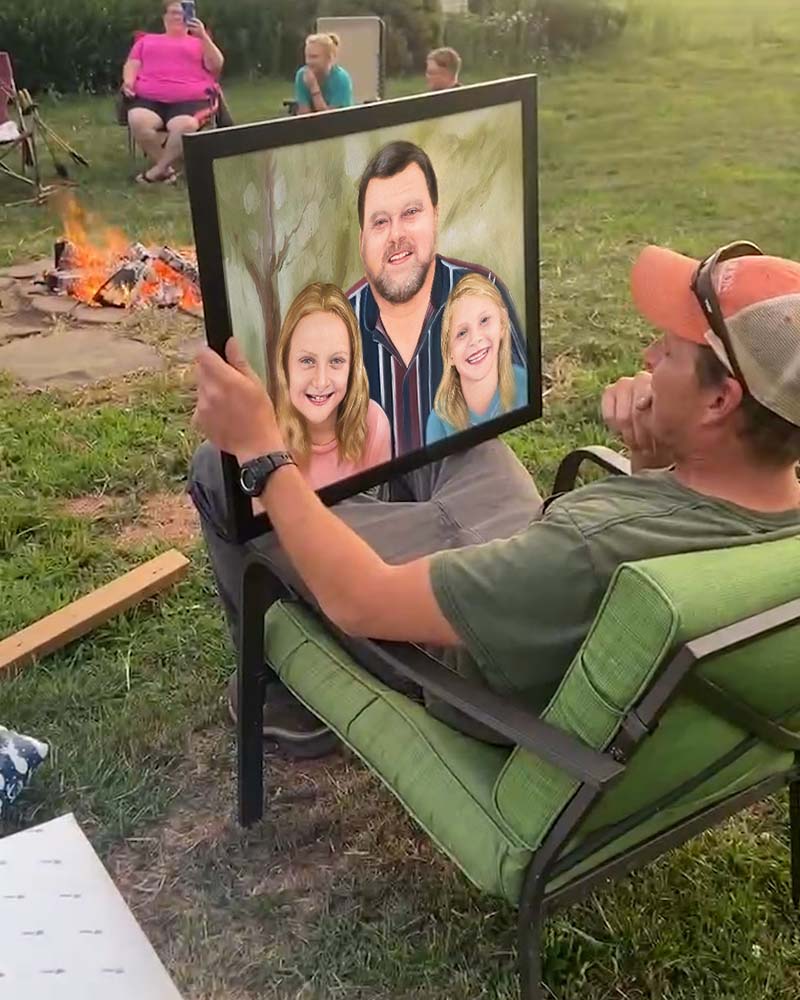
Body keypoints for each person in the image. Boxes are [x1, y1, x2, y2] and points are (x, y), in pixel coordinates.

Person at [190, 240, 800, 755]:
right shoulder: (779, 508)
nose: (648, 354)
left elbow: (358, 599)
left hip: (467, 650)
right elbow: (648, 544)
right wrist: (655, 460)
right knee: (444, 429)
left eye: (669, 347)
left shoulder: (586, 548)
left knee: (220, 471)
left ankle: (280, 696)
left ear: (720, 403)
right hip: (535, 587)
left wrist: (264, 453)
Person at [347, 140, 527, 456]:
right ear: (362, 240)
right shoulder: (340, 325)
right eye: (380, 222)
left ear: (435, 216)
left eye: (411, 212)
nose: (396, 235)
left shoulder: (484, 292)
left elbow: (519, 408)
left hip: (471, 484)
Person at [272, 283, 391, 491]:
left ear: (352, 366)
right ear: (285, 363)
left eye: (336, 361)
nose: (320, 381)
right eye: (307, 361)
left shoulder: (373, 424)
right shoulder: (265, 438)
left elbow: (378, 515)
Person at [122, 0, 224, 184]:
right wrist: (128, 82)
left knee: (185, 126)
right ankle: (167, 169)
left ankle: (157, 171)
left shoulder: (199, 42)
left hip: (190, 100)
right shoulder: (146, 41)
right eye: (173, 13)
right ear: (164, 18)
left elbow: (216, 65)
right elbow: (132, 64)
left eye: (182, 12)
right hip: (149, 98)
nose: (178, 16)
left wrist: (203, 36)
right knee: (137, 120)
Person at [426, 273, 527, 444]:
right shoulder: (439, 422)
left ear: (502, 325)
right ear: (449, 354)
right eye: (462, 333)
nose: (475, 339)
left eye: (484, 320)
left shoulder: (525, 384)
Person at [294, 33, 354, 116]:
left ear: (329, 58)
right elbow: (303, 117)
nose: (309, 62)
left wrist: (314, 88)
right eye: (307, 57)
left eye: (314, 57)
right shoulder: (302, 75)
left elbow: (328, 120)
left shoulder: (341, 79)